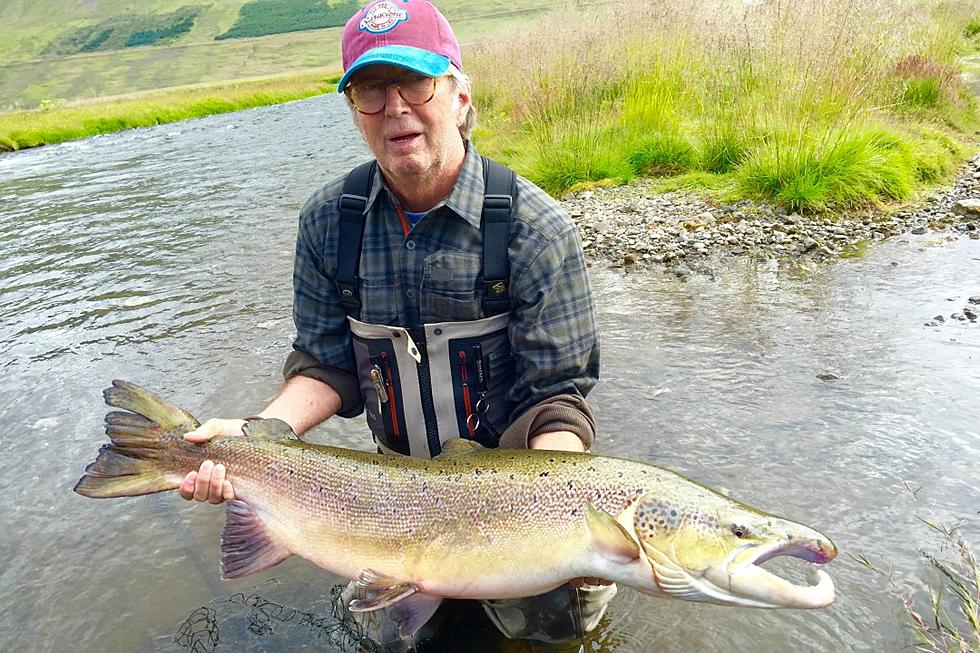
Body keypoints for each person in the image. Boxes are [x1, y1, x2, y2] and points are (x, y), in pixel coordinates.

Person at [179, 0, 613, 644]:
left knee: (547, 633)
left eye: (415, 81)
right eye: (370, 89)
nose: (395, 106)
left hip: (517, 489)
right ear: (354, 109)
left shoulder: (535, 230)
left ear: (461, 95)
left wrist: (549, 521)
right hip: (391, 498)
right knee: (397, 639)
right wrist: (253, 434)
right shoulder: (330, 222)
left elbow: (558, 399)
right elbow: (326, 364)